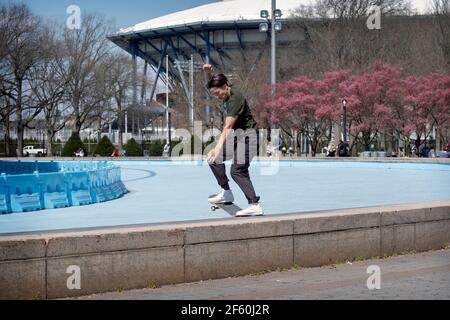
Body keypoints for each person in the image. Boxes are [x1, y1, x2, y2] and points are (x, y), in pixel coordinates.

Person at [203, 64, 263, 217]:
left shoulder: (235, 99)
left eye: (218, 93)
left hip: (249, 137)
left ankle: (254, 204)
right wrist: (207, 73)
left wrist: (217, 147)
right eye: (215, 94)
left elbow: (227, 126)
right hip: (238, 137)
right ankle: (226, 192)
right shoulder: (225, 90)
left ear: (225, 86)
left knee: (237, 170)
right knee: (213, 159)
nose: (218, 96)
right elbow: (211, 85)